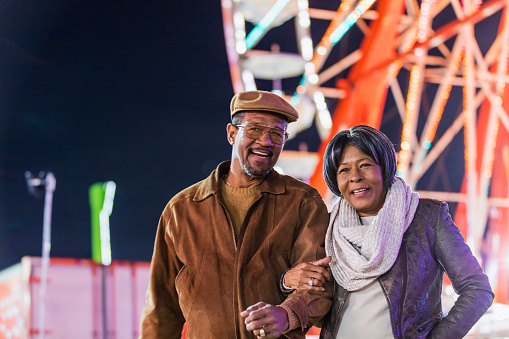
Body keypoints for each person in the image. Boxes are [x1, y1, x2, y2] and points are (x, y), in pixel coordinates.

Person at [139, 90, 332, 339]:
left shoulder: (304, 202)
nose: (266, 141)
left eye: (277, 133)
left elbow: (319, 284)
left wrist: (286, 315)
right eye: (254, 129)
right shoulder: (181, 210)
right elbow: (161, 309)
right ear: (232, 133)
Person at [282, 125, 494, 338]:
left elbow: (477, 289)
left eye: (364, 165)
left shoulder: (428, 218)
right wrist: (288, 280)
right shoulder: (328, 227)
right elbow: (315, 306)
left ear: (384, 168)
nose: (355, 177)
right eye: (344, 170)